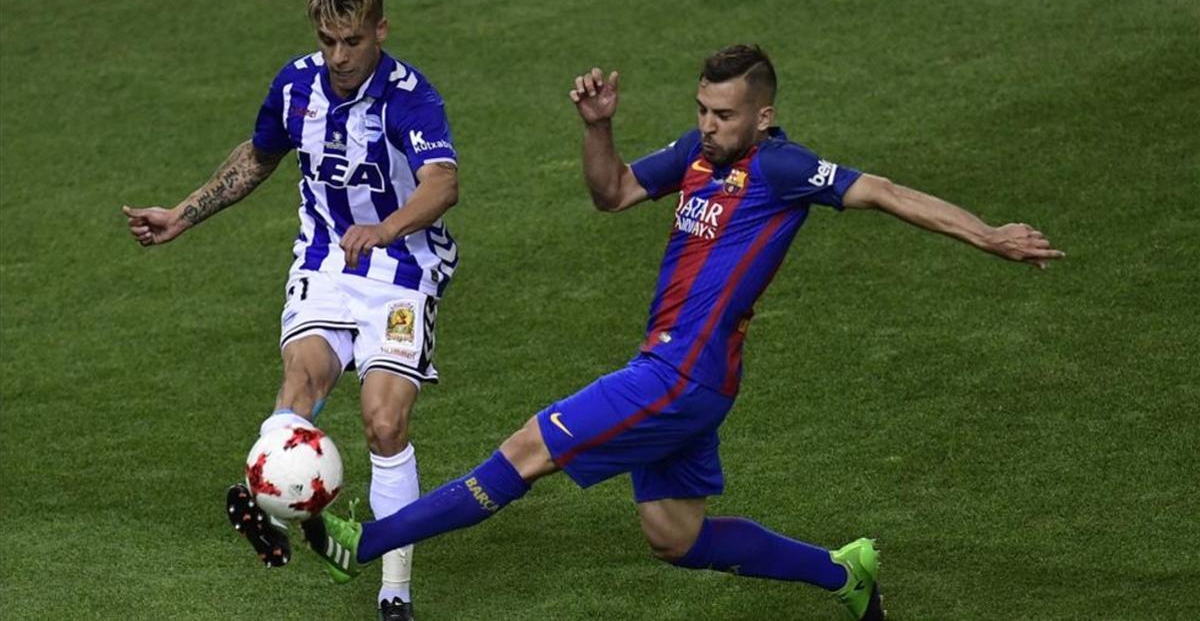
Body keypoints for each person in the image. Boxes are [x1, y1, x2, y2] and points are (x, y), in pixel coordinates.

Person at [301, 44, 1065, 620]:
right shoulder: (694, 156)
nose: (708, 124)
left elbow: (889, 193)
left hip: (676, 377)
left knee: (527, 449)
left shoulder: (783, 168)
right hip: (692, 378)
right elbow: (613, 192)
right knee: (674, 536)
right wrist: (599, 128)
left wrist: (989, 234)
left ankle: (362, 544)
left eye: (725, 114)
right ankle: (845, 573)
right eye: (703, 108)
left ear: (762, 116)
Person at [122, 0, 460, 620]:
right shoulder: (296, 87)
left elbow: (443, 183)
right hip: (326, 262)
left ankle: (394, 590)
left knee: (384, 420)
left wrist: (386, 229)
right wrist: (183, 215)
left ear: (381, 30)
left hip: (402, 271)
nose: (339, 55)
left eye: (353, 40)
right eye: (328, 40)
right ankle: (284, 506)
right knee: (298, 388)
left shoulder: (410, 95)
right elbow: (257, 157)